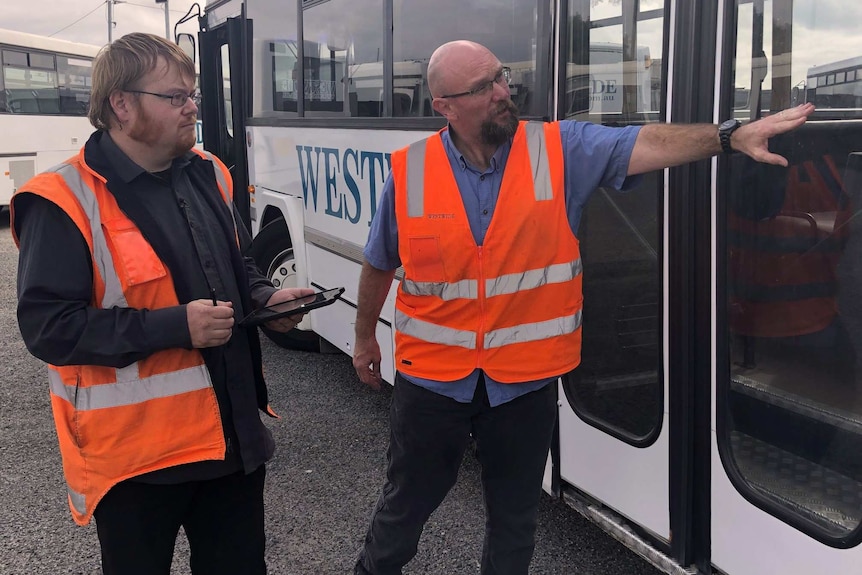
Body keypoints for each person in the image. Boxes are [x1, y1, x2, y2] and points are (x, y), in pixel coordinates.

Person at [351, 40, 814, 575]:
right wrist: (365, 337)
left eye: (501, 77)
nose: (504, 92)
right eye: (483, 88)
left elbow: (642, 143)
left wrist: (729, 138)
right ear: (445, 106)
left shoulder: (558, 149)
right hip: (432, 386)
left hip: (523, 387)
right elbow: (379, 262)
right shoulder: (411, 171)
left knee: (514, 524)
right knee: (403, 513)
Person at [11, 33, 313, 575]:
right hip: (138, 464)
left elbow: (236, 267)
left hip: (231, 443)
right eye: (175, 96)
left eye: (193, 93)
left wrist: (267, 299)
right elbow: (49, 329)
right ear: (121, 105)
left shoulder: (208, 172)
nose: (192, 106)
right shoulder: (62, 200)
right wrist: (177, 326)